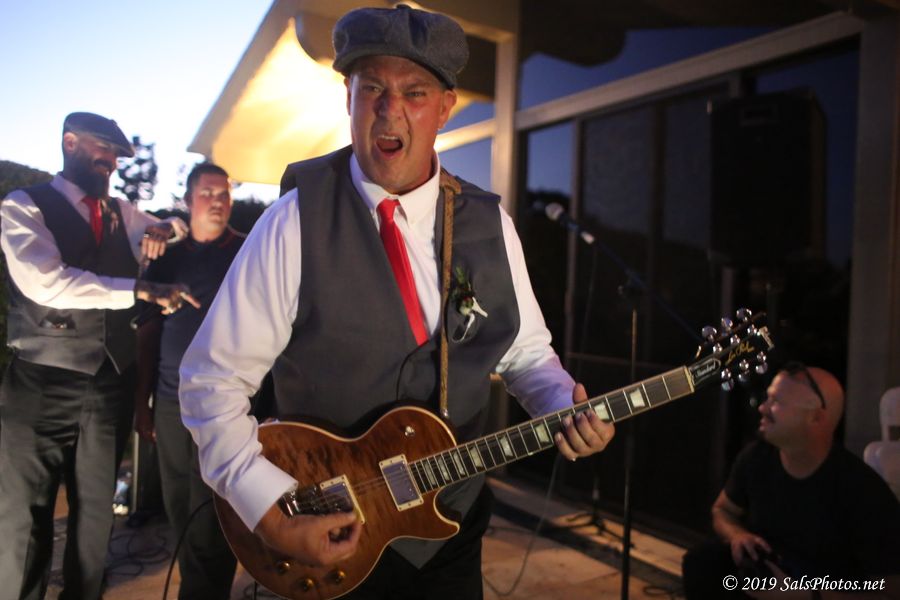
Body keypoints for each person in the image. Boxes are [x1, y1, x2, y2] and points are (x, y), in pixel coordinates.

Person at [179, 6, 614, 599]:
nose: (390, 110)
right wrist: (271, 511)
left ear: (445, 108)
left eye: (414, 92)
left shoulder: (490, 225)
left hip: (450, 527)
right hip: (331, 523)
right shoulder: (294, 221)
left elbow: (528, 355)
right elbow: (212, 381)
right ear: (348, 98)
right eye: (372, 89)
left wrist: (564, 405)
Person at [0, 111, 200, 600]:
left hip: (109, 381)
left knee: (95, 515)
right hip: (41, 380)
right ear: (69, 143)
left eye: (115, 154)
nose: (110, 161)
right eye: (101, 149)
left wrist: (166, 228)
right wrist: (138, 290)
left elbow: (178, 224)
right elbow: (46, 282)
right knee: (25, 515)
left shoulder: (120, 213)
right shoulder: (23, 206)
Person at [682, 363, 900, 599]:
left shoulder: (862, 490)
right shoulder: (757, 457)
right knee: (703, 563)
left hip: (823, 592)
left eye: (777, 402)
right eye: (767, 398)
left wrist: (805, 595)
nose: (763, 408)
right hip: (768, 581)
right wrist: (737, 535)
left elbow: (891, 592)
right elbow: (723, 510)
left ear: (816, 418)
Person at [132, 162, 243, 599]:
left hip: (224, 403)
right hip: (171, 399)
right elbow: (148, 332)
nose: (217, 201)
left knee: (214, 512)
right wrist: (142, 403)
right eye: (208, 193)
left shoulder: (247, 252)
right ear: (189, 199)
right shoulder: (169, 258)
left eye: (224, 193)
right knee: (179, 506)